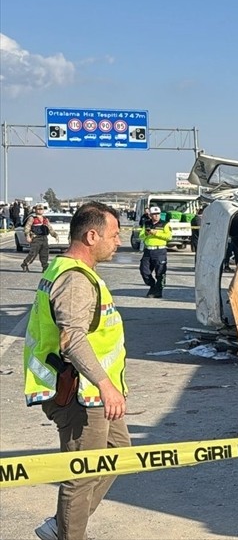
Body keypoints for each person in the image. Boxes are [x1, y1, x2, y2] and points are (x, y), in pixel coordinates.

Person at [24, 201, 129, 540]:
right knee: (82, 474)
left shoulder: (73, 272)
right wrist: (105, 384)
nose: (119, 241)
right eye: (114, 235)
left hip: (95, 392)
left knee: (119, 454)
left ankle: (62, 524)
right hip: (81, 393)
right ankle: (69, 533)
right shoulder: (74, 280)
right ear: (91, 234)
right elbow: (72, 339)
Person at [137, 206, 172, 298]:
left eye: (157, 214)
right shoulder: (147, 223)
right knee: (144, 270)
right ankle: (153, 285)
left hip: (160, 251)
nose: (156, 216)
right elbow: (141, 236)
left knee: (160, 272)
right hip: (148, 250)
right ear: (150, 215)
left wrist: (156, 233)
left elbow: (169, 237)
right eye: (154, 214)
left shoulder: (165, 224)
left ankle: (158, 290)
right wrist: (146, 233)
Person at [22, 203, 58, 272]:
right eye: (38, 209)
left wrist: (55, 235)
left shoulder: (45, 219)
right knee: (33, 253)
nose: (40, 211)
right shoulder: (32, 218)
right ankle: (25, 264)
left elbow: (50, 228)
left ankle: (45, 267)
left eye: (41, 209)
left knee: (44, 254)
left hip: (44, 238)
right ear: (35, 210)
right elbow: (27, 228)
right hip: (36, 238)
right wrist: (27, 236)